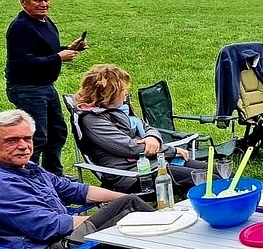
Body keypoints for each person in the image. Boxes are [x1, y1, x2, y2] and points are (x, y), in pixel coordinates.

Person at [0, 109, 214, 249]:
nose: (24, 146)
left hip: (61, 243)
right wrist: (119, 216)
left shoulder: (27, 168)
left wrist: (126, 204)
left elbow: (74, 190)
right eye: (12, 140)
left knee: (132, 211)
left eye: (27, 138)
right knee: (132, 217)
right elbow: (48, 227)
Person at [74, 64, 206, 196]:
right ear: (108, 95)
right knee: (204, 180)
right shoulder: (92, 120)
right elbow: (130, 147)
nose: (126, 93)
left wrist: (152, 138)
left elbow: (147, 127)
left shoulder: (121, 109)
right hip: (135, 175)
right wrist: (172, 150)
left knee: (209, 171)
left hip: (155, 162)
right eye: (122, 90)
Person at [5, 0, 87, 176]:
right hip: (27, 88)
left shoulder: (45, 21)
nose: (44, 4)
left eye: (46, 0)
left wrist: (69, 48)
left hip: (46, 86)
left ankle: (53, 176)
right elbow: (23, 62)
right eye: (38, 1)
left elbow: (45, 52)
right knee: (37, 137)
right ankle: (28, 178)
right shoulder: (20, 27)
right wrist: (59, 57)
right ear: (23, 2)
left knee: (57, 132)